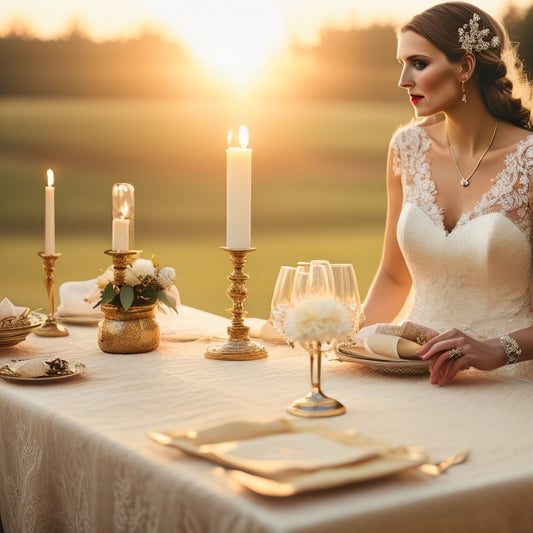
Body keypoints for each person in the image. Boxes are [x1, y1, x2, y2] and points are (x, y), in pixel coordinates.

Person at [362, 2, 533, 386]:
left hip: (510, 380)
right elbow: (392, 277)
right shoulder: (406, 147)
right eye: (401, 63)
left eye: (419, 63)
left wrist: (496, 349)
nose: (404, 79)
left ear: (465, 67)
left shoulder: (530, 161)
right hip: (412, 371)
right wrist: (349, 339)